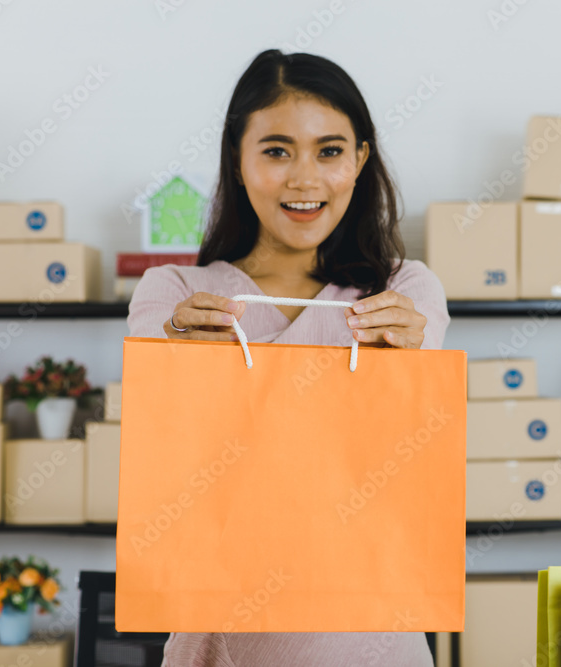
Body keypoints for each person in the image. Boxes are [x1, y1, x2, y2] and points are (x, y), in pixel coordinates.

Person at [127, 49, 448, 667]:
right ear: (238, 161)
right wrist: (174, 358)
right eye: (276, 151)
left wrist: (416, 361)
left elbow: (405, 453)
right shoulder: (174, 295)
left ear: (360, 159)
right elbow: (171, 460)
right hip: (223, 637)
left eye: (329, 151)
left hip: (370, 635)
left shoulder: (405, 292)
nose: (305, 178)